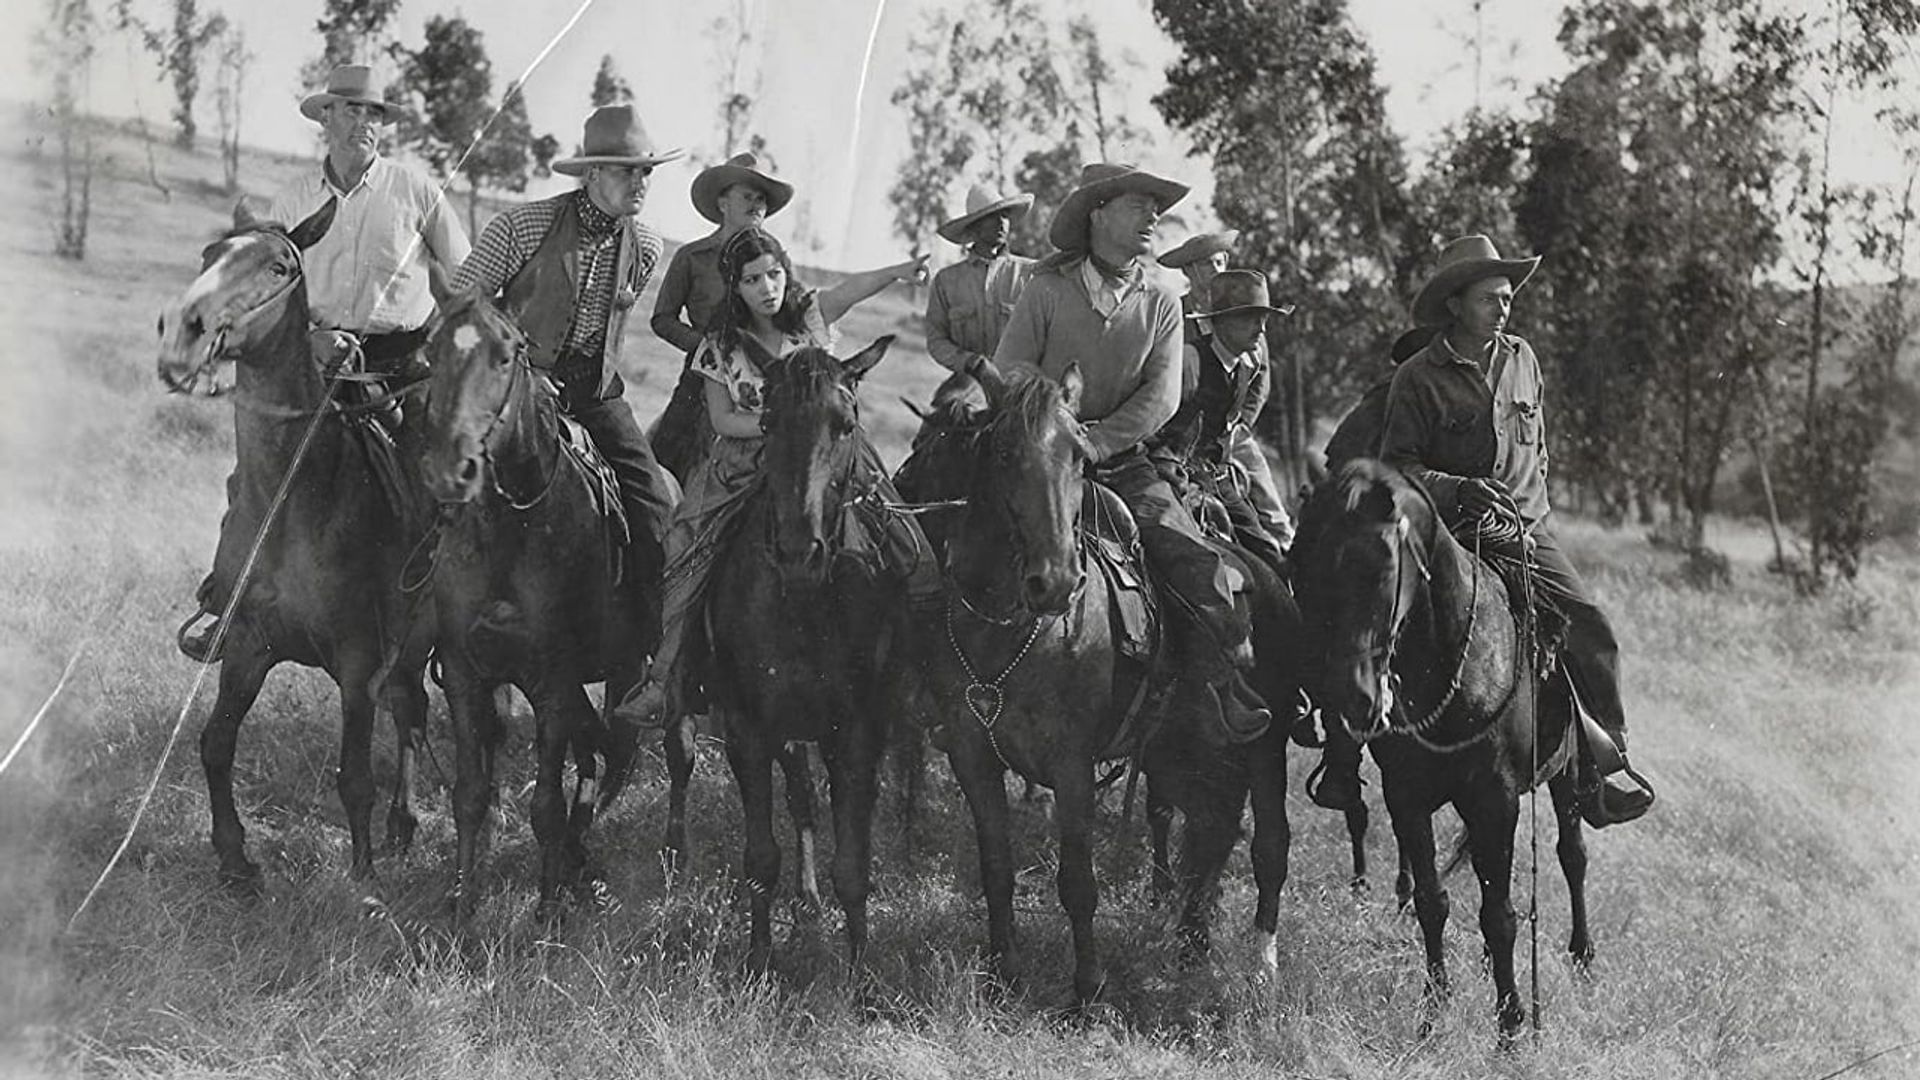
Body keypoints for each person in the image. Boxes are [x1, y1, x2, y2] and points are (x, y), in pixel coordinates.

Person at [1309, 234, 1655, 828]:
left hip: (1524, 527)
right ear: (1455, 305)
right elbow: (1402, 465)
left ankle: (1600, 770)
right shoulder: (1418, 378)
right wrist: (1459, 490)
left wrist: (1530, 506)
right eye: (1491, 298)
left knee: (1591, 629)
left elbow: (1537, 446)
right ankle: (1346, 754)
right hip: (1448, 530)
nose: (1504, 307)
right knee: (1366, 615)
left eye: (1507, 297)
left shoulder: (1523, 357)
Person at [178, 63, 470, 662]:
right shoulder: (293, 199)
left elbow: (466, 280)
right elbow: (266, 288)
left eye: (373, 114)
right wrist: (311, 339)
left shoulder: (417, 192)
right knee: (255, 474)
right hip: (316, 364)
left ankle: (439, 622)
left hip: (401, 366)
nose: (363, 124)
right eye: (351, 110)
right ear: (327, 119)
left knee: (430, 478)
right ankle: (226, 603)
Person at [990, 163, 1270, 744]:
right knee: (958, 533)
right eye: (1139, 206)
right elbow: (1011, 366)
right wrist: (1058, 426)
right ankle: (937, 691)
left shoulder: (1162, 302)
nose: (1153, 217)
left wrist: (1096, 441)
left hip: (1124, 462)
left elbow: (1161, 397)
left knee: (1192, 558)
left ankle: (1219, 689)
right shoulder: (1045, 290)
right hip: (1041, 458)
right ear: (1098, 214)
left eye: (1155, 209)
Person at [619, 227, 935, 723]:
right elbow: (722, 419)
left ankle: (920, 679)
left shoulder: (809, 317)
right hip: (744, 465)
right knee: (684, 553)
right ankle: (666, 680)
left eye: (774, 274)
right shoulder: (718, 346)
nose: (767, 288)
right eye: (752, 280)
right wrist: (782, 429)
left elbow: (849, 291)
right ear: (735, 287)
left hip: (826, 459)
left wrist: (896, 271)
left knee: (908, 543)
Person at [445, 103, 683, 596]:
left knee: (655, 504)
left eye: (646, 171)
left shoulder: (647, 245)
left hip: (596, 395)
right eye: (626, 172)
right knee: (442, 488)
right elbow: (457, 310)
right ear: (592, 173)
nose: (640, 182)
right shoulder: (522, 227)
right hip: (515, 391)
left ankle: (641, 645)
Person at [649, 152, 796, 482]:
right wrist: (707, 347)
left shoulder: (777, 260)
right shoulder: (692, 257)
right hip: (702, 379)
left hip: (763, 381)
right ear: (722, 203)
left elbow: (795, 316)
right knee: (665, 459)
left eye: (762, 200)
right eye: (747, 196)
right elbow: (662, 318)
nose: (757, 205)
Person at [1147, 269, 1294, 574]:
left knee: (1269, 554)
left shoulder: (1245, 368)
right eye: (1250, 318)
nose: (1261, 329)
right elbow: (1151, 422)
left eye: (1264, 319)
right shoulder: (1189, 361)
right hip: (1171, 477)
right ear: (1221, 321)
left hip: (1217, 479)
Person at [925, 184, 1038, 374]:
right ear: (975, 228)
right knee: (948, 403)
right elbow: (936, 340)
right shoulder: (947, 281)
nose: (1002, 223)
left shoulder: (1030, 273)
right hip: (968, 382)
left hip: (1018, 384)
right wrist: (968, 362)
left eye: (1005, 216)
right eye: (993, 217)